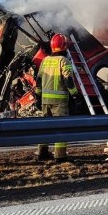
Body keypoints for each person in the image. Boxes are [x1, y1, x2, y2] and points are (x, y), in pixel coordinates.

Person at [34, 33, 78, 161]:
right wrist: (75, 95)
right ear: (64, 47)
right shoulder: (64, 61)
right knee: (61, 128)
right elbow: (68, 80)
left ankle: (42, 153)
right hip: (59, 102)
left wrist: (38, 95)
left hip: (45, 100)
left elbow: (38, 79)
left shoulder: (45, 60)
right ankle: (60, 155)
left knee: (45, 128)